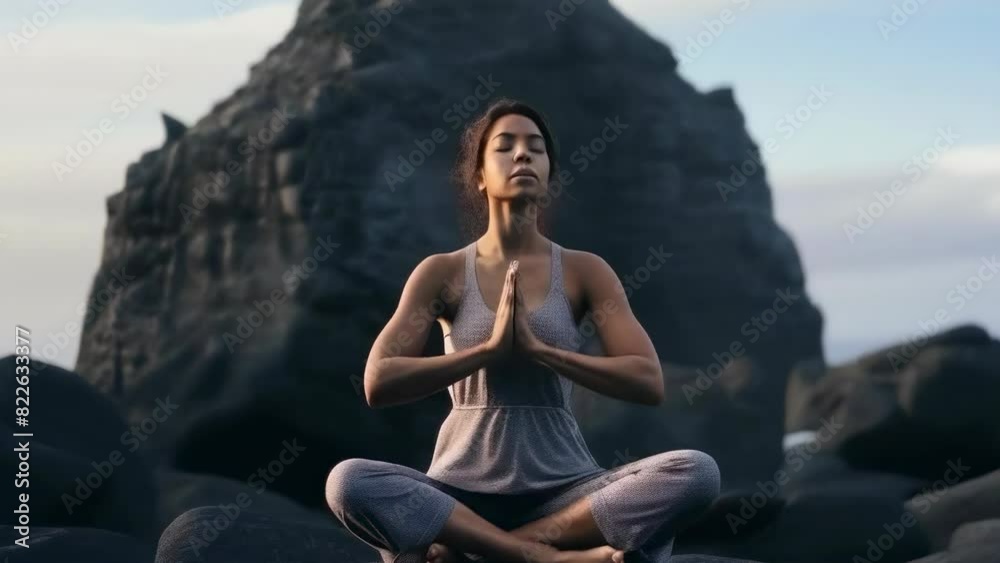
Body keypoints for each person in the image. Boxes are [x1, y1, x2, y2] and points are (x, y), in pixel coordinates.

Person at [325, 99, 720, 563]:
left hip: (565, 493)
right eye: (505, 146)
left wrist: (542, 351)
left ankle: (488, 550)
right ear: (478, 175)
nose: (522, 155)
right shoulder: (442, 272)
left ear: (549, 172)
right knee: (348, 481)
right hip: (458, 495)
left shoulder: (584, 271)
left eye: (535, 147)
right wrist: (488, 351)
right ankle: (544, 557)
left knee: (696, 473)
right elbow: (378, 380)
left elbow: (647, 380)